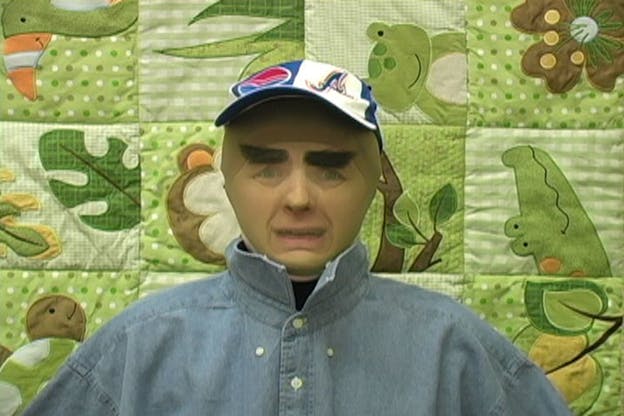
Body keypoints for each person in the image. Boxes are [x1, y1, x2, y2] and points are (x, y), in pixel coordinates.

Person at [24, 59, 572, 415]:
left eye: (331, 167)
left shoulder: (456, 350)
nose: (298, 197)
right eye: (266, 166)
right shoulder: (137, 348)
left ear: (378, 179)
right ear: (225, 179)